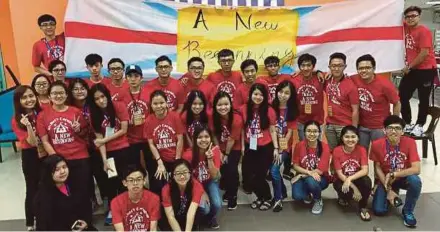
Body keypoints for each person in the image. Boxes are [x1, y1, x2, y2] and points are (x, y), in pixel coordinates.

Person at [36, 81, 92, 216]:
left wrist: (78, 130)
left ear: (66, 95)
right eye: (54, 93)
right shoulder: (43, 116)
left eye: (61, 93)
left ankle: (86, 222)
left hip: (80, 157)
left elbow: (85, 135)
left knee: (83, 191)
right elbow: (45, 141)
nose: (58, 96)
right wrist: (57, 161)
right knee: (65, 193)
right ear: (49, 96)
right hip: (60, 161)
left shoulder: (75, 112)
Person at [88, 83, 131, 225]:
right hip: (109, 153)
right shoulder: (93, 114)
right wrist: (105, 160)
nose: (101, 100)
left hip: (124, 150)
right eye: (97, 99)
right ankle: (113, 210)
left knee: (125, 181)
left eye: (103, 96)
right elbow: (100, 142)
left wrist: (105, 139)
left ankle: (128, 208)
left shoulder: (119, 106)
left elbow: (123, 130)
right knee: (112, 183)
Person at [371, 115, 421, 228]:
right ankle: (390, 193)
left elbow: (416, 169)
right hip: (386, 180)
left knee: (415, 180)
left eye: (397, 128)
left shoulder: (410, 142)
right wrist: (388, 189)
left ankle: (408, 211)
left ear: (403, 131)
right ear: (384, 130)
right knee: (379, 211)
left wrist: (395, 174)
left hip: (403, 178)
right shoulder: (376, 144)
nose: (393, 131)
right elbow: (377, 167)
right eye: (390, 128)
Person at [68, 78, 109, 211]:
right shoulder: (69, 108)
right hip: (79, 147)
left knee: (102, 174)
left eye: (82, 88)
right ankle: (91, 202)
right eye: (76, 89)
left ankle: (107, 200)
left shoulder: (95, 104)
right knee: (85, 177)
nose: (79, 91)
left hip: (99, 144)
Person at [11, 86, 45, 231]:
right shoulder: (17, 120)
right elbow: (32, 142)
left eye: (31, 96)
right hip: (30, 156)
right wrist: (29, 126)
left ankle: (45, 216)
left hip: (45, 152)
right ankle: (30, 222)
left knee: (47, 186)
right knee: (32, 188)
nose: (29, 100)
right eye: (24, 97)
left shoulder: (41, 112)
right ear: (19, 101)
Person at [240, 83, 277, 211]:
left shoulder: (269, 110)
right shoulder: (244, 109)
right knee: (249, 176)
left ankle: (267, 197)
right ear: (250, 95)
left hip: (265, 147)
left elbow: (272, 130)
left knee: (260, 176)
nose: (258, 97)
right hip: (250, 146)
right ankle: (260, 197)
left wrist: (276, 148)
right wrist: (242, 147)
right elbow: (241, 129)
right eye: (255, 94)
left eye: (261, 95)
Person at [401, 6, 437, 136]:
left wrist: (409, 67)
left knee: (423, 98)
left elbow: (424, 54)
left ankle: (420, 125)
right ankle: (407, 122)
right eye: (408, 16)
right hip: (413, 69)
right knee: (402, 95)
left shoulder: (423, 31)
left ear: (419, 17)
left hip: (425, 70)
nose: (410, 18)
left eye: (413, 16)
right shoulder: (406, 28)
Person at [351, 54, 401, 149]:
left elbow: (397, 103)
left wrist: (393, 124)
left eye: (367, 68)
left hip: (380, 127)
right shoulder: (353, 79)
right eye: (361, 68)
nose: (364, 71)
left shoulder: (385, 84)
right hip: (361, 126)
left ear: (374, 68)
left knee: (380, 156)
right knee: (361, 154)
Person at [34, 155, 93, 231]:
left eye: (64, 167)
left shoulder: (75, 185)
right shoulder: (42, 197)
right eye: (57, 169)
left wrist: (86, 222)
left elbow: (86, 206)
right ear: (48, 172)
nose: (62, 171)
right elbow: (44, 226)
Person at [145, 90, 184, 195]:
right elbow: (151, 144)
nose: (159, 106)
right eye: (155, 103)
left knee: (175, 186)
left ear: (167, 103)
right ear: (151, 105)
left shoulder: (175, 116)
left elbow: (180, 139)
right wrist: (159, 162)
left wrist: (177, 161)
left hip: (175, 158)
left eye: (162, 103)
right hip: (160, 159)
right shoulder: (148, 121)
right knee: (159, 187)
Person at [182, 126, 222, 229]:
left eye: (206, 136)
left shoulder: (215, 151)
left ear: (210, 138)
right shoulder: (188, 154)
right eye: (200, 137)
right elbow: (187, 177)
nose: (203, 140)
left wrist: (209, 158)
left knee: (217, 204)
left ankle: (209, 218)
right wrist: (202, 192)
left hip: (210, 180)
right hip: (194, 182)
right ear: (195, 139)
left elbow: (214, 176)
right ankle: (197, 218)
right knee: (205, 208)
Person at [210, 91, 243, 210]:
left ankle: (232, 195)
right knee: (223, 170)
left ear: (230, 104)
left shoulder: (237, 119)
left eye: (226, 104)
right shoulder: (213, 117)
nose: (223, 107)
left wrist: (226, 154)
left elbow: (231, 140)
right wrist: (218, 151)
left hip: (233, 148)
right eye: (219, 105)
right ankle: (228, 188)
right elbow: (213, 135)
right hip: (220, 147)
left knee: (232, 171)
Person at [270, 80, 298, 212]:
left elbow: (290, 133)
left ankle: (277, 199)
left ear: (291, 95)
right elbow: (270, 129)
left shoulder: (292, 110)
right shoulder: (271, 107)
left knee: (274, 170)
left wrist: (281, 150)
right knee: (273, 170)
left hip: (284, 146)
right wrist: (275, 147)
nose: (283, 95)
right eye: (280, 92)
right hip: (271, 145)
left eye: (287, 93)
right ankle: (282, 191)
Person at [332, 126, 372, 221]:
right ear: (342, 138)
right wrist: (355, 189)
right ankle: (343, 198)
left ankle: (363, 207)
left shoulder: (362, 149)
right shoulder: (337, 151)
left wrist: (350, 179)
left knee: (367, 181)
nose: (350, 140)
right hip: (341, 179)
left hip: (354, 178)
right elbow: (339, 173)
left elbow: (365, 170)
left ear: (358, 138)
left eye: (353, 137)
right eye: (347, 137)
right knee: (346, 192)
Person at [291, 120, 331, 215]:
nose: (312, 134)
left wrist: (301, 175)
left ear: (319, 133)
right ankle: (309, 193)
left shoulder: (324, 146)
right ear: (304, 132)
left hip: (320, 179)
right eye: (309, 131)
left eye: (315, 131)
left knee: (311, 181)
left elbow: (320, 171)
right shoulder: (299, 145)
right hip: (305, 175)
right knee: (297, 196)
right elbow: (295, 165)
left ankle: (318, 200)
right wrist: (308, 173)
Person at [324, 53, 360, 150]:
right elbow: (311, 71)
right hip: (330, 125)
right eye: (333, 66)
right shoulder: (327, 80)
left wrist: (353, 130)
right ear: (329, 67)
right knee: (333, 153)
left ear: (345, 67)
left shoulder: (350, 85)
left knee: (346, 154)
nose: (336, 69)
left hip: (344, 126)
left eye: (340, 66)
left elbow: (355, 110)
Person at [111, 165, 161, 232]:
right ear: (124, 183)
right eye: (131, 180)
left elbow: (153, 229)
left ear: (144, 181)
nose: (135, 183)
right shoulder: (116, 202)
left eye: (139, 179)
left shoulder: (154, 199)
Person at [120, 65, 151, 173]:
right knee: (135, 170)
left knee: (153, 168)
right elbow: (118, 118)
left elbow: (155, 114)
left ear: (141, 78)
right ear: (126, 78)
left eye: (136, 76)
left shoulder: (149, 93)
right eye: (130, 76)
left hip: (148, 137)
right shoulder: (121, 96)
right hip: (131, 139)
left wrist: (146, 120)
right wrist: (129, 121)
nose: (133, 79)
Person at [161, 159, 206, 231]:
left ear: (190, 173)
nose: (182, 177)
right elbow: (171, 216)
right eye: (178, 173)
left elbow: (191, 213)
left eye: (185, 172)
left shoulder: (197, 186)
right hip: (174, 215)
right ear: (173, 175)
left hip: (187, 214)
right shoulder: (166, 189)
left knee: (198, 213)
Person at [291, 54, 325, 141]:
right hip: (301, 121)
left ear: (313, 66)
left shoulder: (321, 78)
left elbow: (334, 74)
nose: (306, 68)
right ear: (299, 67)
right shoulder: (293, 79)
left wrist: (318, 72)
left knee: (317, 148)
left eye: (309, 65)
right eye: (303, 65)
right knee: (304, 148)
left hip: (318, 121)